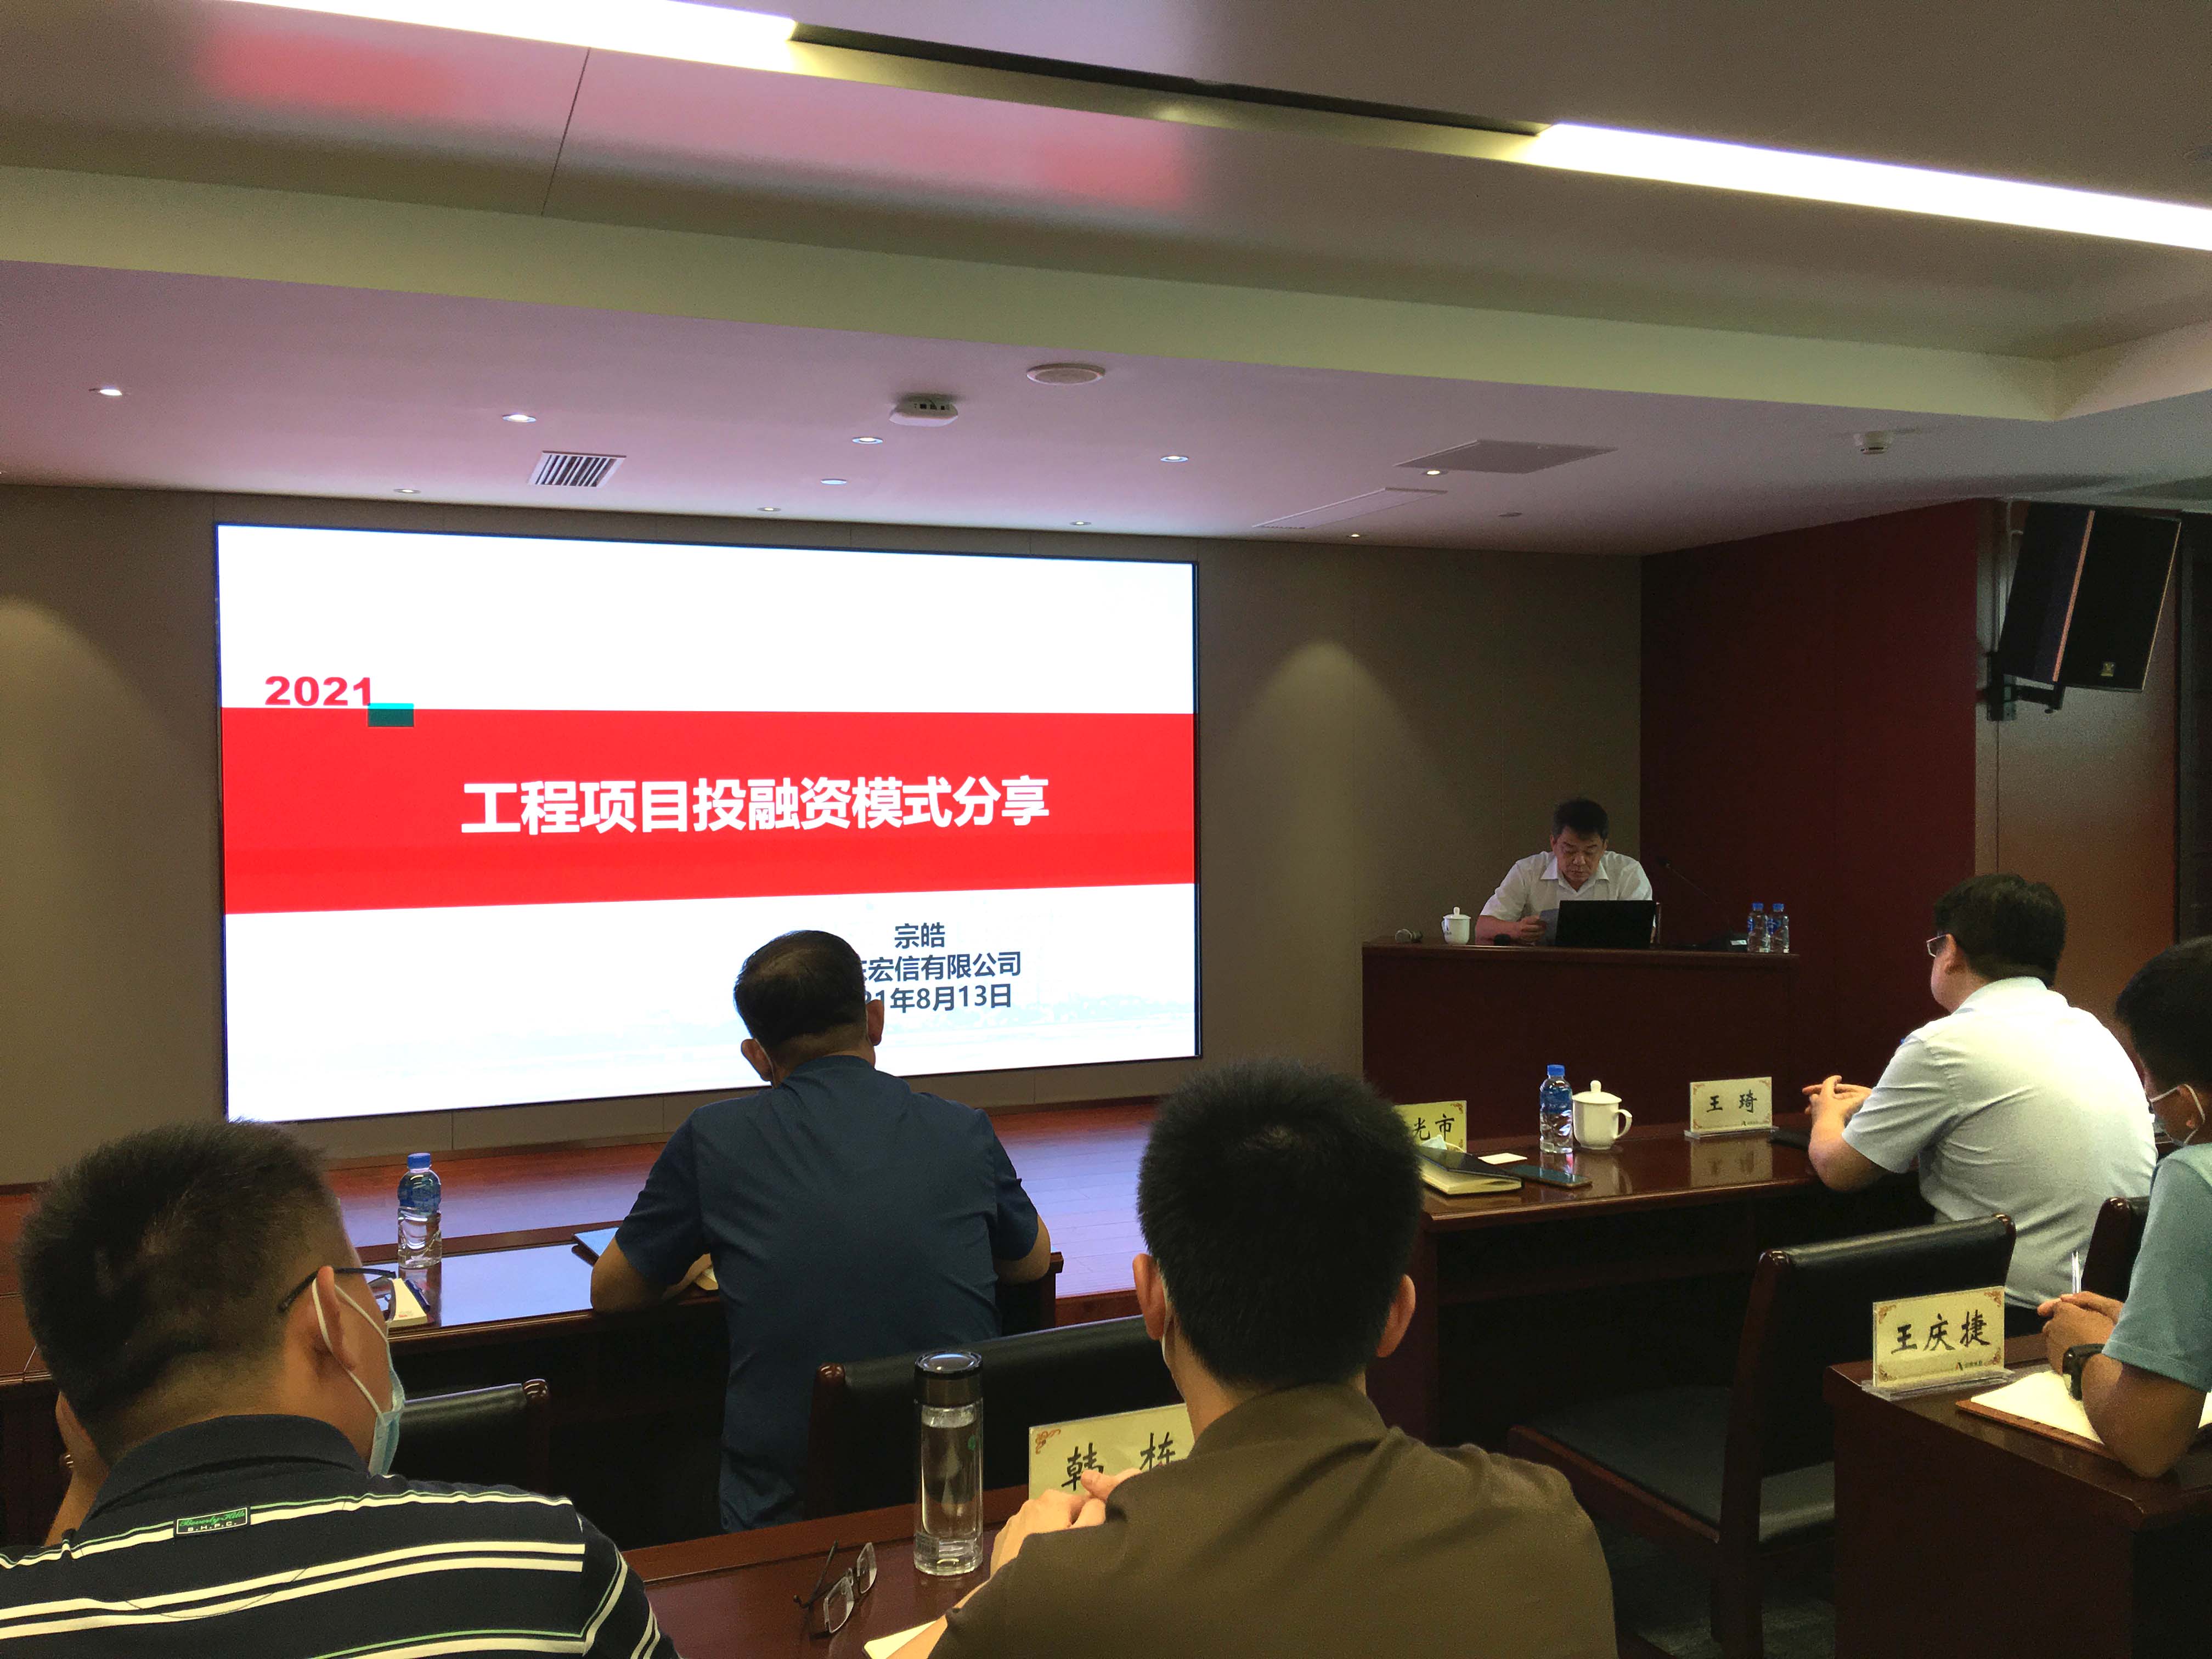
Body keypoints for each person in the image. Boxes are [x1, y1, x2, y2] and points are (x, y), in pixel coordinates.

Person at [891, 1058, 1615, 1659]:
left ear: (1152, 1299)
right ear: (1396, 1314)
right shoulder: (1549, 1529)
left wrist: (1004, 1583)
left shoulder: (1058, 1598)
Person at [0, 1122, 672, 1656]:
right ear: (328, 1319)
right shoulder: (553, 1567)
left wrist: (90, 1479)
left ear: (77, 1407)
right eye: (366, 1288)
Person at [590, 929, 1052, 1531]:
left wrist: (695, 1263)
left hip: (785, 1518)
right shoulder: (962, 1128)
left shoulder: (713, 1138)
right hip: (954, 1500)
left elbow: (612, 1292)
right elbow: (1032, 1262)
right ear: (875, 1019)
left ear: (757, 1056)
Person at [1804, 874, 2152, 1332]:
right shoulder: (2092, 1029)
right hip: (2115, 1308)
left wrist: (1827, 1115)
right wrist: (1887, 1104)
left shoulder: (1943, 1043)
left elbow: (1838, 1170)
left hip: (2006, 1313)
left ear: (1949, 951)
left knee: (1825, 1300)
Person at [2037, 937, 2212, 1477]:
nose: (2146, 1088)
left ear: (2187, 1100)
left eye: (2148, 1071)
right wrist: (2144, 1338)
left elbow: (2148, 1442)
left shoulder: (2196, 1178)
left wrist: (2084, 1350)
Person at [1476, 797, 1652, 944]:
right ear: (1553, 843)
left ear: (1605, 846)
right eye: (1569, 850)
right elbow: (1483, 927)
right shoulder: (1528, 870)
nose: (1579, 861)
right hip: (1542, 967)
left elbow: (1647, 932)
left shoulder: (1628, 871)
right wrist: (1517, 929)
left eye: (1590, 851)